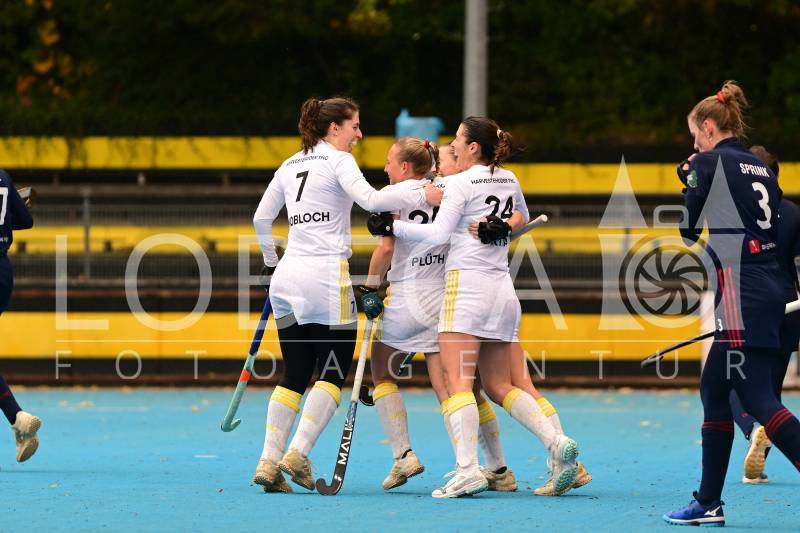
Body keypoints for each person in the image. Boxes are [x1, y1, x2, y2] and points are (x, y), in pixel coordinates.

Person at [368, 117, 580, 499]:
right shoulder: (508, 178)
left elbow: (437, 232)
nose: (451, 146)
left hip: (466, 291)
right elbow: (522, 218)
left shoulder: (459, 183)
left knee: (458, 384)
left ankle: (468, 471)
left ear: (472, 148)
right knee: (501, 385)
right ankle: (557, 444)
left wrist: (391, 227)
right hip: (503, 292)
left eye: (457, 140)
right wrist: (505, 225)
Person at [251, 97, 441, 493]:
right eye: (354, 125)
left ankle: (268, 461)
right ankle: (297, 454)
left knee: (295, 372)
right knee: (333, 371)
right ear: (334, 127)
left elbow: (261, 218)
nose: (359, 133)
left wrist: (270, 263)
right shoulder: (338, 161)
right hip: (324, 278)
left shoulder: (289, 164)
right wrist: (422, 193)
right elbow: (372, 200)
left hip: (286, 278)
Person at [664, 82, 800, 526]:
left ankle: (707, 502)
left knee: (757, 396)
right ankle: (708, 503)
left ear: (708, 127)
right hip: (768, 285)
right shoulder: (760, 167)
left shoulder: (707, 162)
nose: (694, 145)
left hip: (742, 290)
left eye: (694, 135)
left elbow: (688, 230)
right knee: (715, 389)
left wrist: (689, 180)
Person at [364, 139, 516, 492]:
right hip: (445, 296)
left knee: (381, 373)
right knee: (453, 387)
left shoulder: (394, 194)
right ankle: (495, 467)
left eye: (389, 162)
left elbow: (385, 249)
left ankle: (403, 454)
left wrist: (369, 289)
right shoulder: (449, 188)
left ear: (405, 167)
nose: (385, 168)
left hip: (407, 296)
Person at [728, 146, 800, 484]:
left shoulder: (742, 211)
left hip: (753, 305)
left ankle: (752, 427)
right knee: (770, 390)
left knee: (730, 382)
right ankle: (757, 465)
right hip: (789, 307)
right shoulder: (794, 213)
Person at [0, 169, 40, 464]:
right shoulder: (3, 176)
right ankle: (19, 422)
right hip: (3, 274)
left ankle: (18, 418)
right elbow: (25, 220)